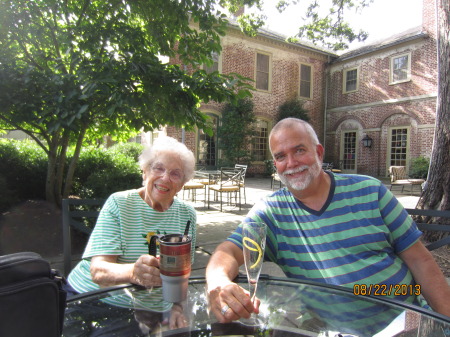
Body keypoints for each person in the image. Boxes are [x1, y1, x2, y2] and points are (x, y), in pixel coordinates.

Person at [206, 117, 450, 322]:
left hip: (404, 319)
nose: (291, 163)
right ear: (275, 164)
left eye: (299, 150)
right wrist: (218, 282)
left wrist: (446, 321)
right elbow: (228, 251)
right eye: (281, 156)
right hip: (329, 329)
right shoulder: (271, 212)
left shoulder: (371, 191)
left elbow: (420, 261)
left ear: (319, 152)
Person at [67, 136, 197, 330]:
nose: (165, 178)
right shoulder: (119, 203)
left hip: (150, 310)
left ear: (181, 184)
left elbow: (182, 273)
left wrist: (177, 307)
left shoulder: (187, 215)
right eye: (158, 168)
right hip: (93, 300)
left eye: (175, 173)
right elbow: (98, 270)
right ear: (144, 172)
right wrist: (134, 273)